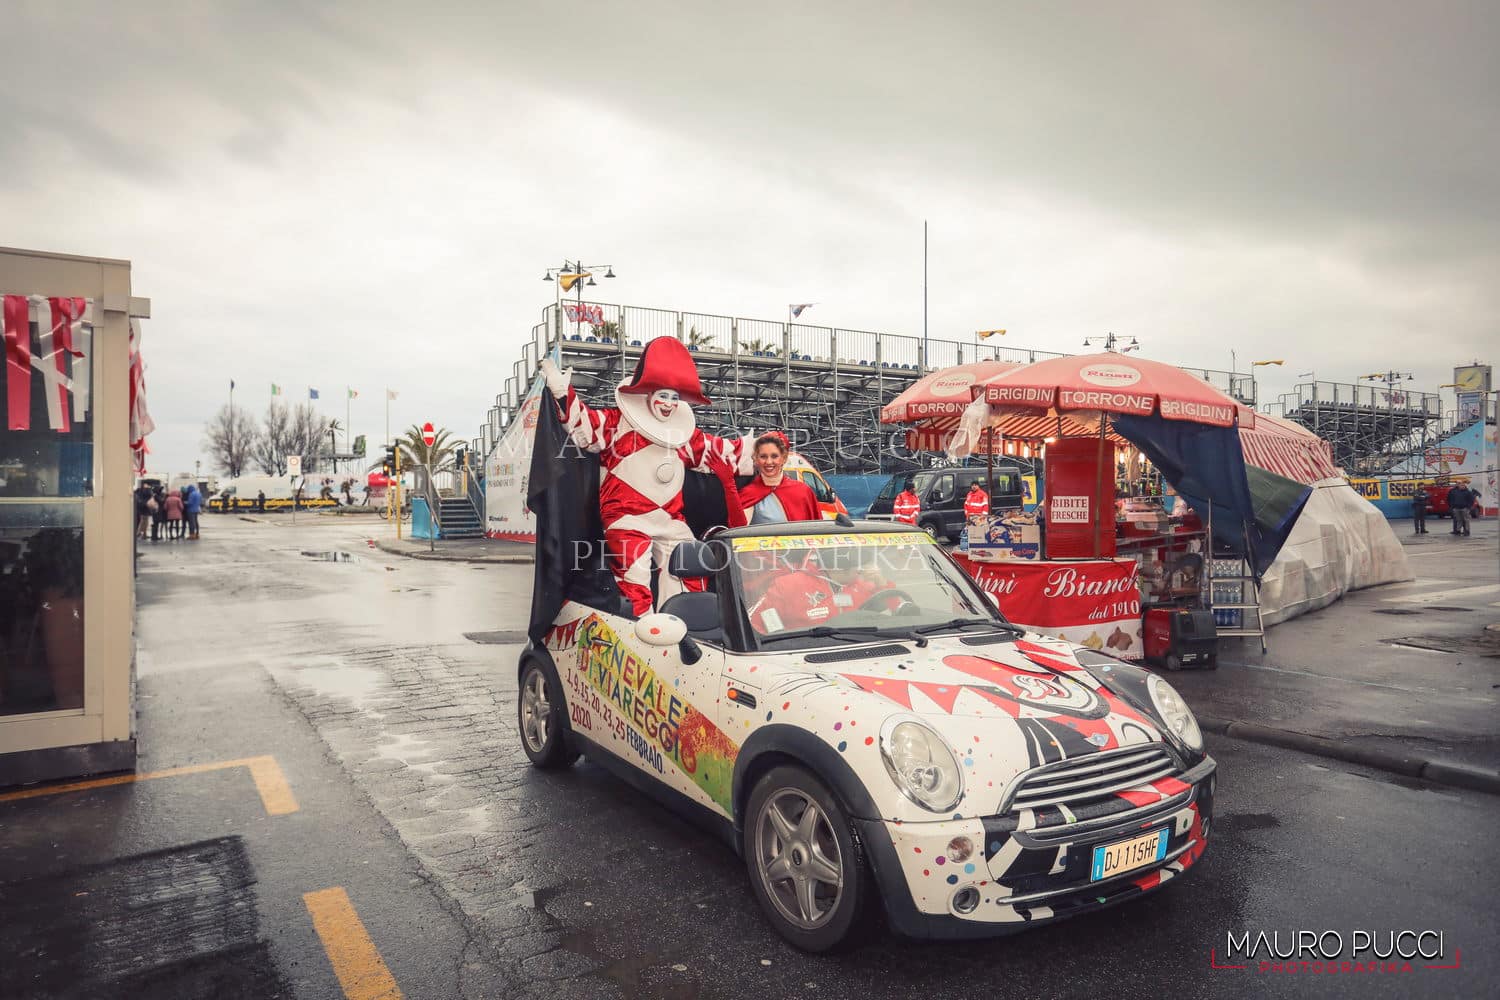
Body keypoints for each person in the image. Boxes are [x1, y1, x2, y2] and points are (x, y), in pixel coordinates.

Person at [541, 338, 754, 615]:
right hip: (627, 519)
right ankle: (642, 636)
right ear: (649, 395)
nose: (668, 404)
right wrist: (562, 392)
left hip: (669, 519)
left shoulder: (682, 435)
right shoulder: (619, 424)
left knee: (689, 562)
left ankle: (683, 625)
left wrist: (757, 449)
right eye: (663, 396)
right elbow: (586, 427)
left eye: (674, 398)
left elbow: (717, 451)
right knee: (634, 579)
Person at [738, 431, 819, 524]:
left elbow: (816, 533)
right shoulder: (747, 494)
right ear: (756, 458)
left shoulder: (804, 492)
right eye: (763, 456)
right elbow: (736, 531)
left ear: (784, 458)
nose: (768, 462)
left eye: (774, 456)